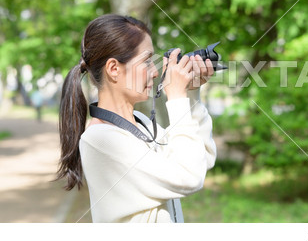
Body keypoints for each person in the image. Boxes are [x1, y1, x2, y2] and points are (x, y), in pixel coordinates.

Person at [55, 14, 217, 223]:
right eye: (147, 61)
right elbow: (189, 177)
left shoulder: (141, 122)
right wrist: (176, 97)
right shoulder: (100, 140)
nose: (155, 73)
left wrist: (192, 94)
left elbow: (201, 158)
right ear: (114, 69)